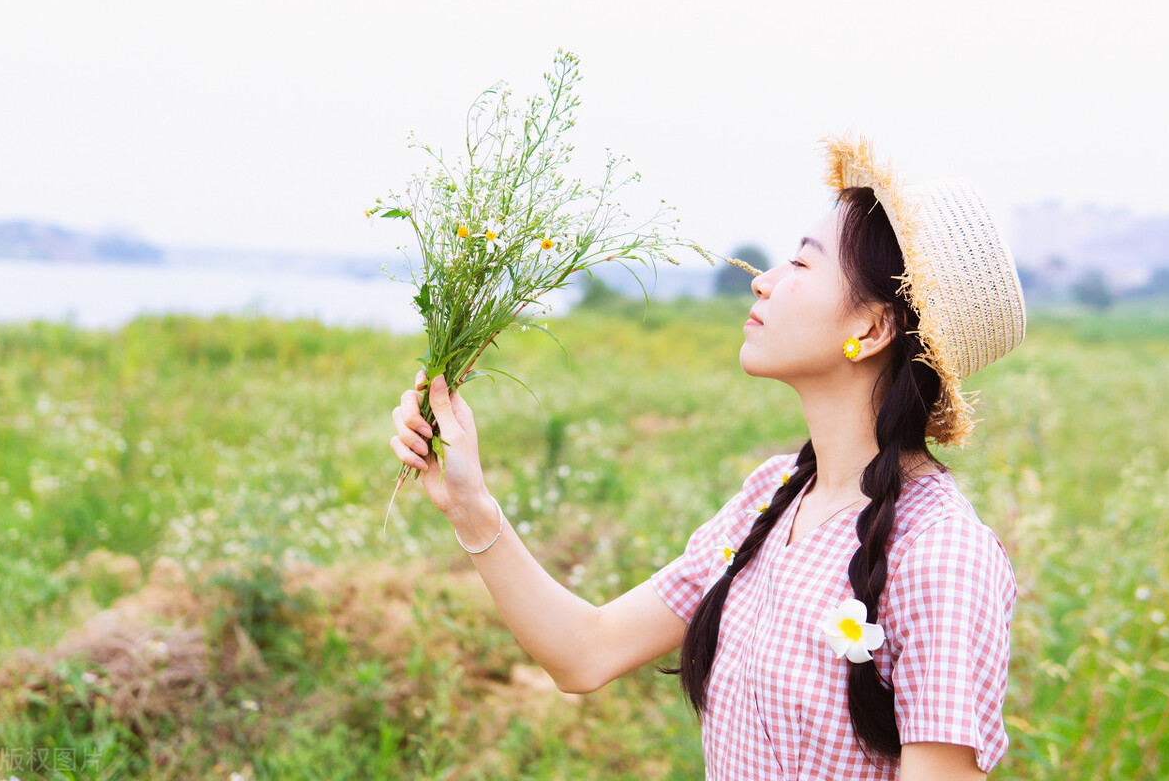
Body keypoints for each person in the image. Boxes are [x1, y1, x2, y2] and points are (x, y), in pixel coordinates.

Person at [389, 133, 1027, 780]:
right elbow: (586, 652)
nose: (763, 284)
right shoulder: (772, 497)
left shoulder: (940, 554)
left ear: (872, 329)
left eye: (802, 266)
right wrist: (469, 503)